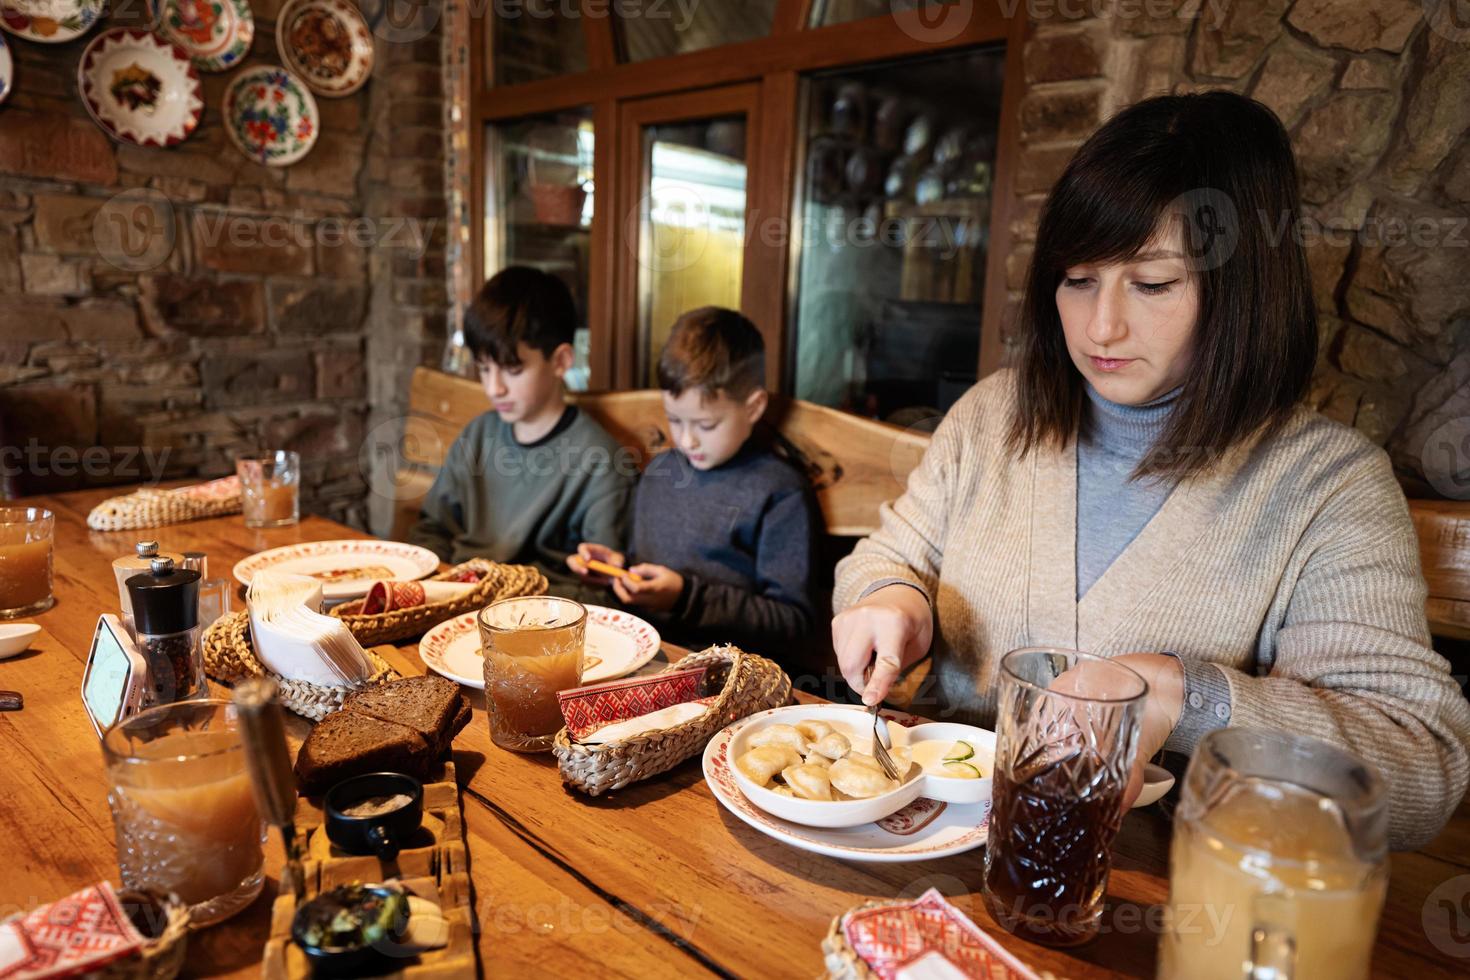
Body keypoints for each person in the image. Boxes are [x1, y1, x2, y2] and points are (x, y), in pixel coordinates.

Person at [830, 91, 1470, 850]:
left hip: (1159, 897)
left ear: (1242, 289)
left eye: (1153, 284)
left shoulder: (1325, 485)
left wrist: (1182, 694)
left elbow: (1418, 769)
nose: (1102, 327)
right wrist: (891, 594)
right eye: (1077, 278)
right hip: (930, 845)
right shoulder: (996, 415)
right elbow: (890, 555)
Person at [568, 307, 819, 656]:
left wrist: (686, 597)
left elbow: (792, 622)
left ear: (754, 407)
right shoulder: (661, 472)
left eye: (706, 425)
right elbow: (646, 567)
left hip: (728, 674)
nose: (687, 441)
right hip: (642, 654)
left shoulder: (779, 491)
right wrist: (615, 571)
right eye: (674, 420)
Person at [410, 267, 635, 600]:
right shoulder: (479, 433)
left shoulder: (600, 462)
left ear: (560, 361)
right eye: (485, 369)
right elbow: (433, 529)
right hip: (455, 597)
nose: (494, 387)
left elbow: (604, 588)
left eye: (513, 370)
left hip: (537, 616)